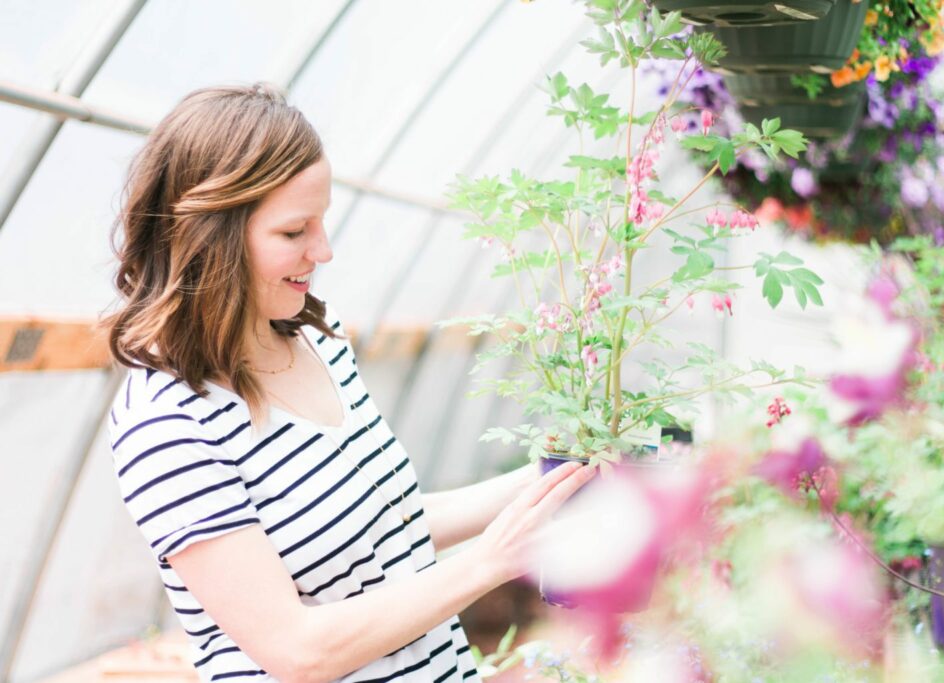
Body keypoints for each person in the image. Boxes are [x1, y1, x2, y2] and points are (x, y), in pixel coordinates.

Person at [104, 84, 595, 683]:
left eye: (323, 222)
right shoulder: (168, 420)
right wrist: (490, 562)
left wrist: (561, 476)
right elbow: (298, 652)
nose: (324, 250)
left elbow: (383, 524)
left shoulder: (318, 339)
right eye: (294, 232)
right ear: (210, 238)